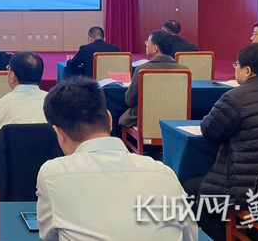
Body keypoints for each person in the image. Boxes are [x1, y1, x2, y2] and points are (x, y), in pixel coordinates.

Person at [36, 78, 197, 241]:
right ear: (110, 119)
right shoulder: (164, 174)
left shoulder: (52, 174)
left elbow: (49, 237)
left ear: (58, 132)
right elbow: (190, 235)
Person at [186, 44, 258, 239]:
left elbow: (210, 131)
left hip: (249, 191)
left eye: (237, 65)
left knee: (192, 190)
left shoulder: (235, 97)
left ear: (248, 70)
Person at [0, 51, 48, 154]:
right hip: (49, 162)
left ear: (11, 76)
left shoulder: (0, 106)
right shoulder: (55, 103)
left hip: (10, 164)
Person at [119, 30, 188, 127]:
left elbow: (130, 100)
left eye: (148, 42)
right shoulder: (184, 70)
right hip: (176, 118)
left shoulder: (142, 69)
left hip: (145, 117)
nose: (146, 44)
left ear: (155, 48)